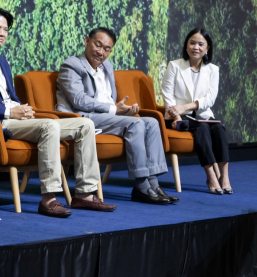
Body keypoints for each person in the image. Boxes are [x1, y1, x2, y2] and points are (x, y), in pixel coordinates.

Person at [0, 8, 116, 217]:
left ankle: (84, 194)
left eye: (5, 29)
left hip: (17, 118)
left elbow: (9, 96)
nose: (2, 33)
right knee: (49, 125)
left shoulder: (2, 61)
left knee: (85, 125)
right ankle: (49, 199)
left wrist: (23, 110)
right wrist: (9, 111)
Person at [56, 27, 177, 205]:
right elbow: (79, 100)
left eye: (107, 49)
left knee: (151, 123)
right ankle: (142, 186)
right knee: (135, 124)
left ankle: (153, 184)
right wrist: (113, 110)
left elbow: (109, 98)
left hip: (106, 116)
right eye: (98, 45)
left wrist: (124, 110)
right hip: (82, 117)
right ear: (87, 41)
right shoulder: (72, 65)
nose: (101, 52)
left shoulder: (108, 66)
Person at [161, 28, 231, 194]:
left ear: (207, 49)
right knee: (202, 128)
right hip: (177, 117)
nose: (196, 47)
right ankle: (211, 176)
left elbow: (210, 99)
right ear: (186, 45)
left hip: (202, 115)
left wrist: (186, 107)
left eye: (200, 44)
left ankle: (225, 177)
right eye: (192, 43)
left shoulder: (213, 70)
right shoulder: (174, 66)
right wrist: (177, 116)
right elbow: (167, 94)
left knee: (219, 129)